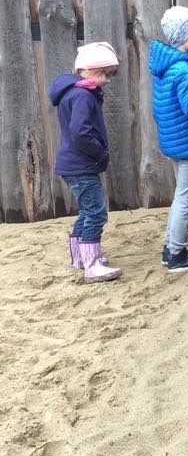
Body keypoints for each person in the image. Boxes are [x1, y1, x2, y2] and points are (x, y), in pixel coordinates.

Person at [49, 42, 122, 283]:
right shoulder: (82, 95)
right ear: (87, 70)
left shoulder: (74, 92)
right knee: (97, 213)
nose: (107, 80)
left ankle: (80, 258)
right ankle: (92, 265)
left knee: (87, 210)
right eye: (104, 74)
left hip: (74, 164)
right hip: (80, 165)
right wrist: (99, 153)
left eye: (109, 75)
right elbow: (81, 132)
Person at [149, 7, 188, 273]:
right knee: (187, 199)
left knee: (180, 196)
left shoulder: (165, 68)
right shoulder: (183, 69)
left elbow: (159, 109)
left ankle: (169, 248)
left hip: (174, 143)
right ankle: (177, 255)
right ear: (186, 35)